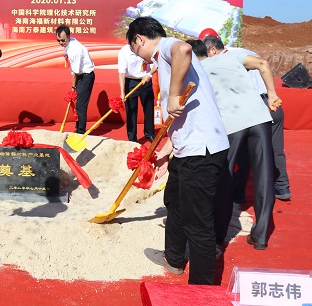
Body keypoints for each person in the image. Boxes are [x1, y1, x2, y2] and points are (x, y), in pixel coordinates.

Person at [128, 17, 229, 285]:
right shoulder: (163, 60)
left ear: (139, 39)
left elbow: (184, 49)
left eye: (134, 49)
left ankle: (202, 290)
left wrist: (173, 95)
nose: (138, 56)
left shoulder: (166, 47)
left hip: (202, 152)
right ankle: (173, 258)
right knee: (174, 201)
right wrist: (166, 150)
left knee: (198, 223)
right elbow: (182, 120)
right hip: (187, 149)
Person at [197, 36, 279, 250]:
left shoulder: (200, 67)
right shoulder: (235, 55)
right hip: (259, 118)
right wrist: (271, 95)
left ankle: (218, 233)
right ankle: (260, 237)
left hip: (232, 123)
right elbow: (263, 63)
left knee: (225, 177)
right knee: (264, 177)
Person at [198, 30, 292, 202]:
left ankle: (237, 193)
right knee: (275, 148)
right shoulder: (243, 52)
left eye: (205, 54)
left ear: (212, 49)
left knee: (243, 153)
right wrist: (272, 95)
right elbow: (263, 65)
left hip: (255, 108)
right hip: (272, 104)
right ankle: (282, 186)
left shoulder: (226, 59)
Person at [56, 24, 95, 134]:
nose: (61, 43)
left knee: (80, 106)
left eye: (63, 40)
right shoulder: (70, 43)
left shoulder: (75, 50)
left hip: (86, 76)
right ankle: (78, 129)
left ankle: (80, 132)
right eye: (58, 40)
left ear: (68, 37)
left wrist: (73, 88)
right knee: (78, 105)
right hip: (81, 76)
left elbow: (75, 72)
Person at [117, 43, 156, 142]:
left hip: (145, 80)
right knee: (131, 110)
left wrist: (149, 75)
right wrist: (122, 92)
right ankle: (132, 138)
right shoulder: (124, 51)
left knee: (149, 108)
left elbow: (156, 63)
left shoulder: (146, 48)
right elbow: (121, 73)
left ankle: (150, 134)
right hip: (130, 82)